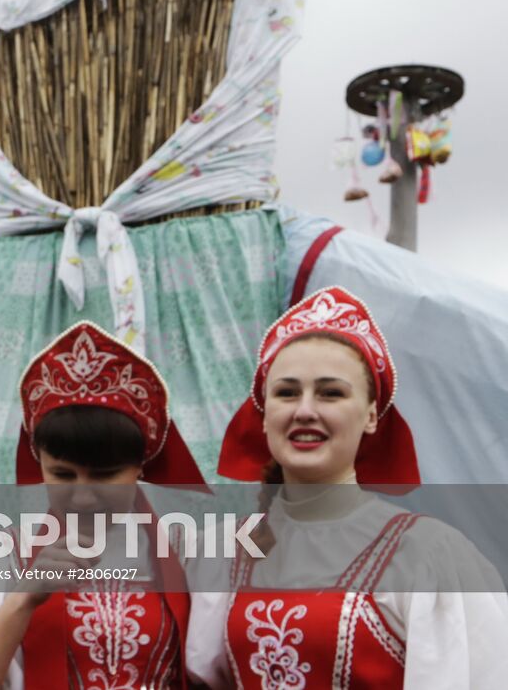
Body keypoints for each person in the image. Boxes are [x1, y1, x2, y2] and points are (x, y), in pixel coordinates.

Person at [186, 286, 508, 688]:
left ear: (372, 415)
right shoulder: (222, 554)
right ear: (264, 416)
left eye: (330, 393)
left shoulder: (426, 556)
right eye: (287, 393)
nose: (305, 410)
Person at [0, 322, 207, 690]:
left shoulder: (190, 556)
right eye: (62, 474)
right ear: (38, 461)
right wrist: (22, 601)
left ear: (142, 465)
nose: (84, 496)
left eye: (105, 475)